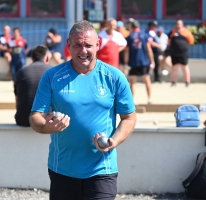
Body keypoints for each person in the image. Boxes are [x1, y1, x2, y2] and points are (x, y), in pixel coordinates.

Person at [29, 20, 136, 200]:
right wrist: (47, 127)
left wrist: (113, 141)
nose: (83, 50)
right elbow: (35, 116)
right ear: (68, 45)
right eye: (77, 45)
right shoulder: (52, 76)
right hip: (62, 167)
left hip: (102, 168)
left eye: (88, 45)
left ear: (98, 45)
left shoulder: (114, 76)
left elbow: (129, 118)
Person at [14, 45, 52, 127]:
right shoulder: (53, 72)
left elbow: (17, 98)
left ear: (32, 58)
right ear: (47, 58)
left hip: (23, 120)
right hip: (47, 121)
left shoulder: (22, 72)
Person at [124, 20, 155, 104]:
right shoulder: (145, 35)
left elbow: (127, 51)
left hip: (133, 62)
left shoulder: (129, 37)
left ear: (131, 27)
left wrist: (126, 63)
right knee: (147, 80)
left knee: (132, 82)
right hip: (144, 61)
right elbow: (149, 49)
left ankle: (133, 100)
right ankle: (149, 99)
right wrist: (152, 61)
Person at [168, 19, 194, 87]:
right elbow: (169, 41)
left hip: (183, 53)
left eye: (179, 24)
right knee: (174, 68)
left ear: (182, 24)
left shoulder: (186, 32)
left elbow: (191, 41)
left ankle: (187, 82)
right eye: (177, 23)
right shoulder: (172, 32)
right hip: (174, 52)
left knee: (185, 67)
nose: (178, 25)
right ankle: (173, 82)